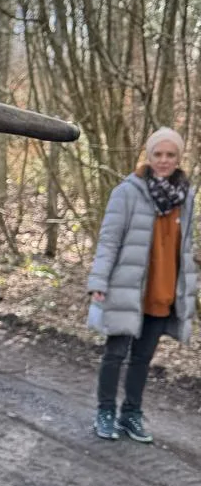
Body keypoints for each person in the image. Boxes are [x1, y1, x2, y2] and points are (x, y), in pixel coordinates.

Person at [88, 126, 196, 443]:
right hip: (127, 289)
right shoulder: (127, 192)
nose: (163, 160)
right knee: (115, 353)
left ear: (178, 158)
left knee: (143, 358)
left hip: (163, 291)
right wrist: (99, 281)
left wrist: (188, 288)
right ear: (148, 157)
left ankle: (131, 414)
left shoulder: (186, 196)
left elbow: (184, 246)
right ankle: (105, 411)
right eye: (158, 154)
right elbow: (108, 241)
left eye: (170, 155)